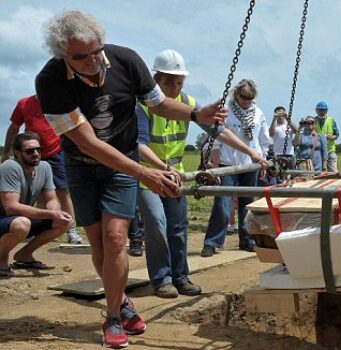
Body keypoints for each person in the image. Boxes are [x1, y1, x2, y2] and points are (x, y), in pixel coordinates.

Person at [34, 11, 265, 348]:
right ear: (62, 55)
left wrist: (194, 114)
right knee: (98, 242)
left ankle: (112, 317)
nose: (90, 61)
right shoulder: (50, 80)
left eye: (95, 51)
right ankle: (122, 302)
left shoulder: (126, 61)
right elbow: (87, 142)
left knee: (116, 238)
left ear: (102, 42)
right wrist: (145, 173)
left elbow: (157, 105)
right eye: (79, 57)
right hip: (83, 164)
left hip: (122, 164)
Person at [136, 49, 206, 298]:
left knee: (177, 227)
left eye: (181, 82)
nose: (178, 87)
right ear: (158, 80)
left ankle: (181, 277)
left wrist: (252, 154)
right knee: (156, 223)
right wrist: (163, 168)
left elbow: (216, 128)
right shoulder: (142, 104)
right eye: (173, 82)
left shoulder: (187, 103)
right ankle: (162, 279)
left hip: (175, 175)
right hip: (147, 177)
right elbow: (139, 144)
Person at [2, 95, 83, 244]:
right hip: (29, 153)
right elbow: (14, 128)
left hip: (55, 152)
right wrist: (6, 152)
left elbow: (71, 126)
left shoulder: (57, 101)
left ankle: (71, 230)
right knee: (38, 193)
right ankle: (35, 228)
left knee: (63, 191)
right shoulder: (24, 104)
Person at [202, 79, 270, 257]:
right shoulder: (226, 111)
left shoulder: (258, 113)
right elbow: (215, 139)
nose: (246, 101)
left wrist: (263, 162)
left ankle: (247, 240)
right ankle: (213, 242)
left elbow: (263, 142)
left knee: (247, 204)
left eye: (250, 98)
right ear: (236, 95)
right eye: (243, 97)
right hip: (227, 163)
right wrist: (215, 166)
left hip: (251, 163)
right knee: (222, 204)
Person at [0, 133, 72, 278]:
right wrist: (50, 214)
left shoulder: (44, 167)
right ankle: (1, 258)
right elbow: (11, 207)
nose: (36, 154)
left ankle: (24, 255)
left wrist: (55, 211)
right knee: (22, 224)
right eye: (30, 151)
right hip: (6, 218)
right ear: (17, 153)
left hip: (17, 219)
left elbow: (51, 199)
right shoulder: (10, 166)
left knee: (64, 222)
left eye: (38, 150)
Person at [314, 101, 339, 172]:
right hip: (317, 152)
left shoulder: (331, 120)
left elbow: (337, 134)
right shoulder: (312, 121)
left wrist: (332, 137)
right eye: (320, 110)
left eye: (323, 110)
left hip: (330, 151)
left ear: (326, 111)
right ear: (316, 110)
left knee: (334, 172)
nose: (321, 112)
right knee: (317, 174)